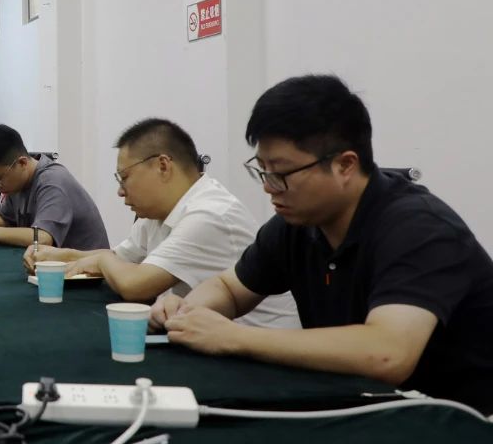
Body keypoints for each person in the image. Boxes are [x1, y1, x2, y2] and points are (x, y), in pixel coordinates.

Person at [150, 75, 493, 412]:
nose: (268, 186)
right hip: (365, 405)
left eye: (281, 173)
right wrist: (187, 312)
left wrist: (232, 337)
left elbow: (388, 353)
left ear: (345, 165)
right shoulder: (297, 224)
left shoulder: (420, 229)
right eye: (262, 169)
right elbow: (230, 288)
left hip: (460, 420)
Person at [24, 118, 297, 328]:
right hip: (199, 334)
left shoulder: (209, 214)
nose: (120, 191)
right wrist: (61, 255)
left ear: (163, 166)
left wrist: (101, 261)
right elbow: (120, 258)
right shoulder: (158, 213)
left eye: (124, 178)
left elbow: (134, 284)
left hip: (261, 357)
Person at [0, 124, 107, 250]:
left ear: (22, 163)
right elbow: (4, 217)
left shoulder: (53, 182)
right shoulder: (17, 183)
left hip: (88, 275)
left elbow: (41, 237)